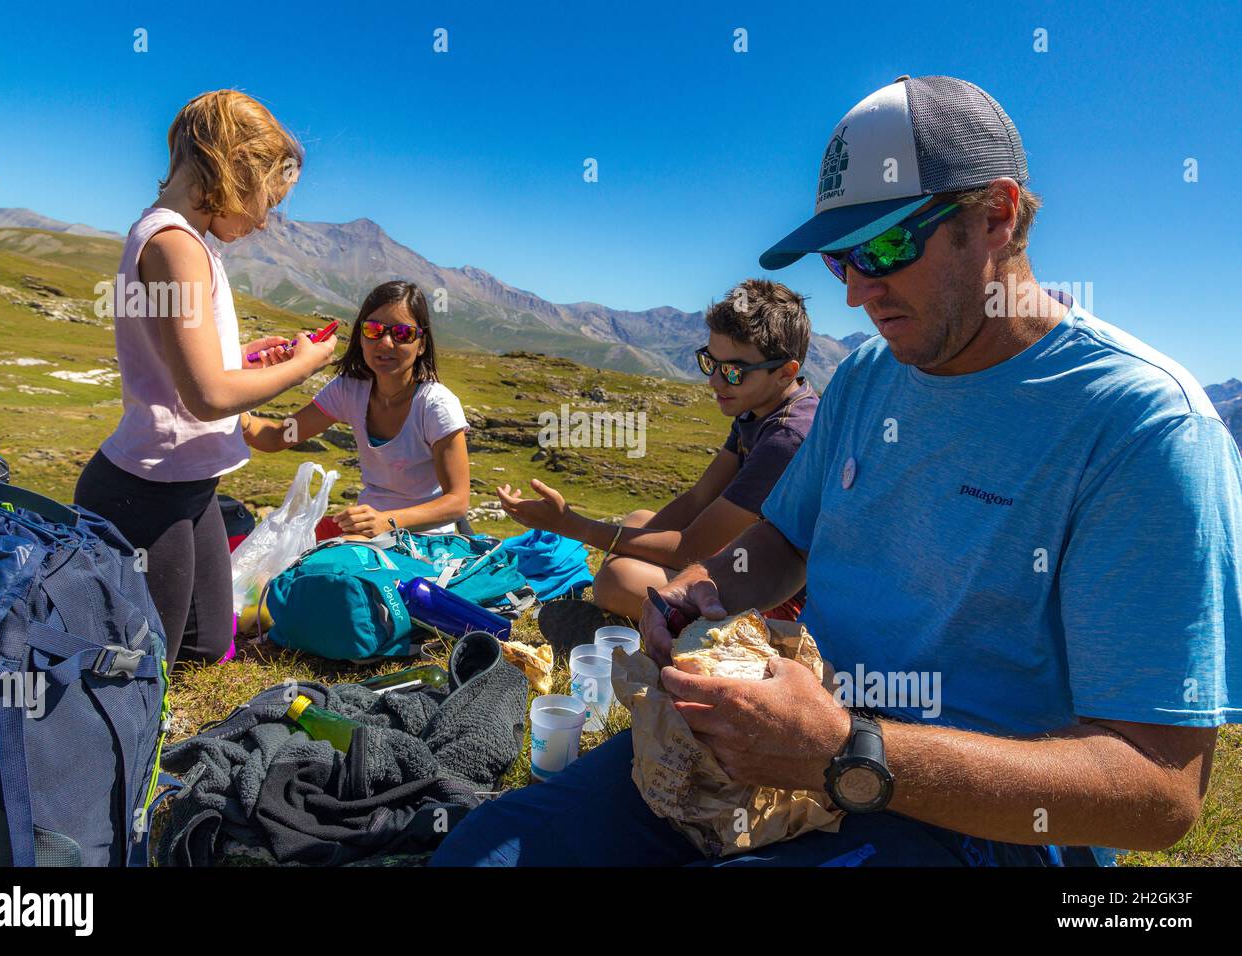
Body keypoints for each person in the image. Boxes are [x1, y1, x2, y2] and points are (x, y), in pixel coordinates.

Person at [432, 74, 1242, 866]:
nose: (858, 291)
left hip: (974, 830)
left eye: (885, 246)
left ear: (995, 216)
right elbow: (785, 538)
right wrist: (706, 589)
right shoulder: (867, 375)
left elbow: (1159, 791)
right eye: (837, 260)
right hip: (787, 744)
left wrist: (850, 753)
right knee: (483, 853)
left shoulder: (1142, 427)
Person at [75, 90, 335, 667]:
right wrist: (303, 367)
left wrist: (242, 359)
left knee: (210, 642)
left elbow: (182, 366)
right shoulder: (175, 245)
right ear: (231, 166)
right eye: (265, 198)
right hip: (148, 488)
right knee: (146, 664)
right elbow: (208, 395)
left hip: (191, 480)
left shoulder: (176, 239)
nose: (264, 219)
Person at [497, 279, 817, 620]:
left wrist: (574, 526)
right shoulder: (759, 406)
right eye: (710, 363)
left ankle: (720, 629)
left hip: (781, 596)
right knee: (639, 523)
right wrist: (624, 544)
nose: (715, 381)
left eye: (734, 372)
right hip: (746, 558)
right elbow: (698, 498)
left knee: (618, 579)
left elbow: (692, 547)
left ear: (785, 372)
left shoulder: (787, 437)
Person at [241, 280, 471, 536]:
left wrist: (387, 521)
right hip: (365, 530)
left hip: (427, 540)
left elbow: (458, 502)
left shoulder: (436, 405)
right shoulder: (349, 390)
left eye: (402, 334)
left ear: (422, 344)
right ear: (360, 337)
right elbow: (279, 437)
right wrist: (240, 419)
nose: (385, 342)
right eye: (373, 330)